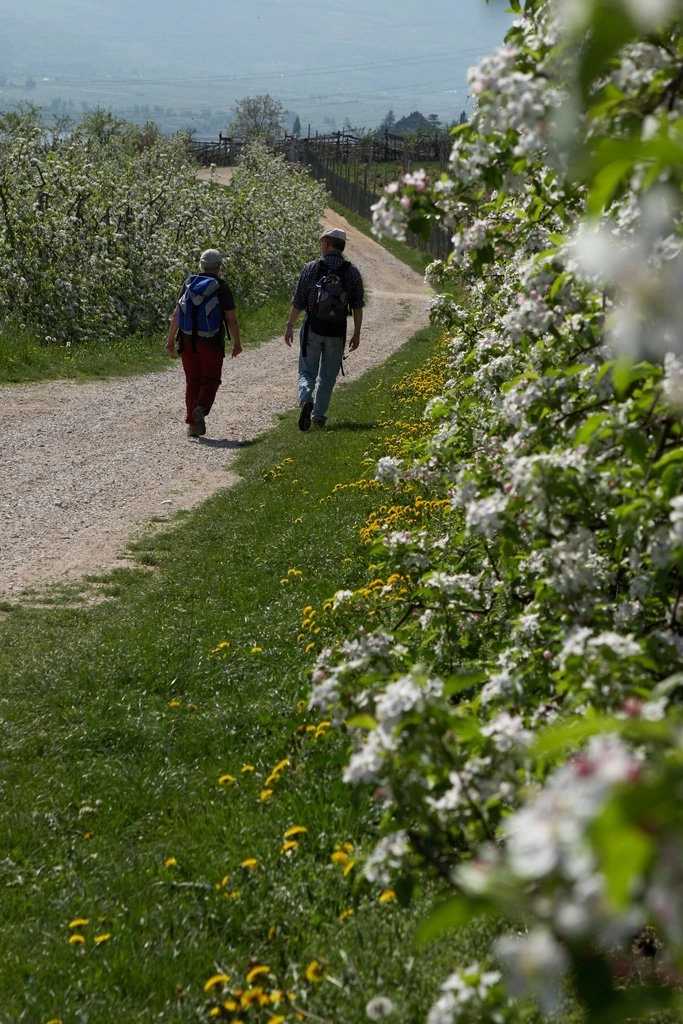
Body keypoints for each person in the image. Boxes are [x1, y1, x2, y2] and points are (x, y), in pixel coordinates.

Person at [284, 227, 364, 431]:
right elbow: (356, 305)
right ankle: (318, 417)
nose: (321, 247)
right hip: (337, 331)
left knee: (307, 371)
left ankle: (305, 398)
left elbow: (299, 300)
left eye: (322, 243)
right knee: (328, 376)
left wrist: (290, 325)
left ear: (328, 244)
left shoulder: (312, 268)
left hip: (313, 327)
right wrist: (357, 333)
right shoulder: (351, 271)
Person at [165, 248, 242, 438]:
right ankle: (201, 407)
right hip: (211, 343)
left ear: (201, 265)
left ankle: (192, 425)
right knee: (211, 379)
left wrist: (169, 340)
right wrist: (237, 343)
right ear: (219, 267)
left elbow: (176, 315)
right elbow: (231, 318)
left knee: (193, 382)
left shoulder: (189, 283)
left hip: (187, 340)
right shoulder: (221, 287)